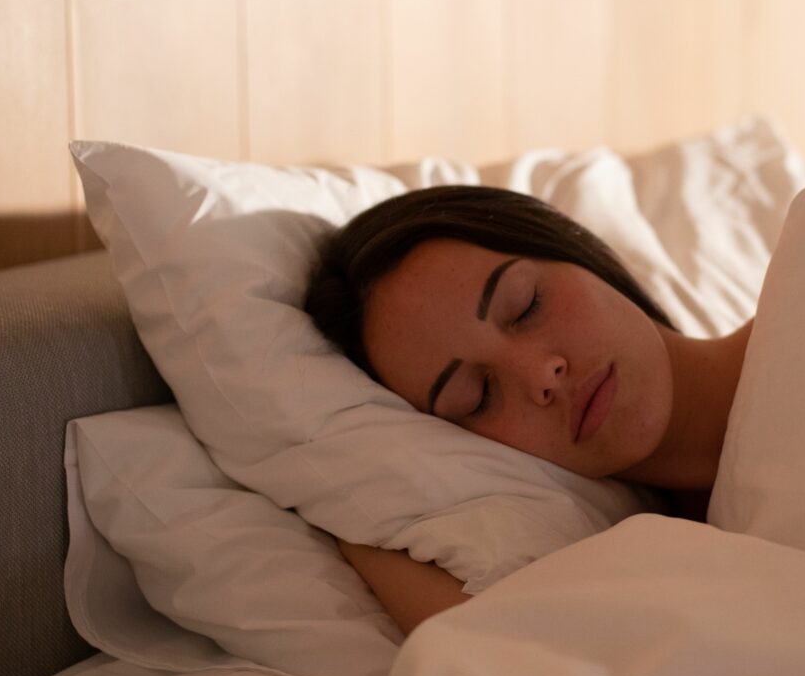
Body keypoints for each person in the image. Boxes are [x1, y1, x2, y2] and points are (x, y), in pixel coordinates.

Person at [305, 186, 753, 635]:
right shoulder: (661, 572)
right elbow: (513, 660)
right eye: (477, 395)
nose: (541, 375)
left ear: (568, 246)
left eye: (525, 307)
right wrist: (361, 526)